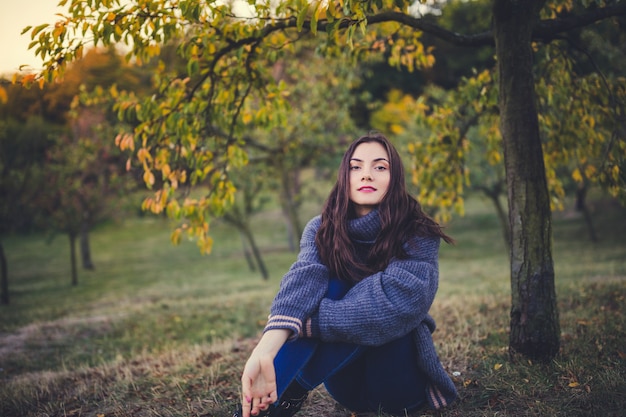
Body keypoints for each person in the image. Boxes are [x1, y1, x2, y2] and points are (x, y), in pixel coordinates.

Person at [233, 133, 458, 417]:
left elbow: (391, 308)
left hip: (398, 386)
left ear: (395, 177)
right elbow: (303, 278)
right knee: (327, 283)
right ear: (345, 176)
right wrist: (265, 349)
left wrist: (305, 324)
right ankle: (273, 402)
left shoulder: (417, 232)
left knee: (369, 305)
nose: (366, 175)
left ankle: (279, 396)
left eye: (380, 167)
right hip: (346, 385)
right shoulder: (321, 228)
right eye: (356, 167)